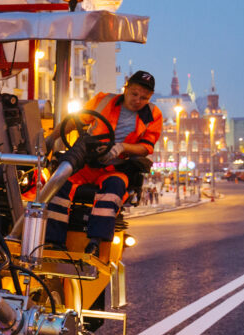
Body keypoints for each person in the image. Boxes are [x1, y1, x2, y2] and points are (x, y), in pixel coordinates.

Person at [45, 71, 162, 255]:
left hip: (116, 168)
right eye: (134, 94)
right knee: (59, 184)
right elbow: (75, 122)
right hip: (86, 164)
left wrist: (122, 147)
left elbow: (146, 147)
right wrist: (51, 137)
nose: (138, 100)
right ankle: (53, 242)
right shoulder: (103, 100)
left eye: (144, 97)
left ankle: (95, 242)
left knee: (113, 189)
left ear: (150, 97)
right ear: (125, 88)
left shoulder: (153, 115)